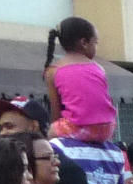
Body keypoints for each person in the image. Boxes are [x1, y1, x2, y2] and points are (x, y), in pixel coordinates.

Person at [42, 15, 116, 143]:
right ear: (84, 43)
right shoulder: (98, 68)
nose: (96, 48)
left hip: (77, 128)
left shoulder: (53, 71)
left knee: (51, 133)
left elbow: (55, 110)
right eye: (95, 43)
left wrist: (54, 133)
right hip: (107, 128)